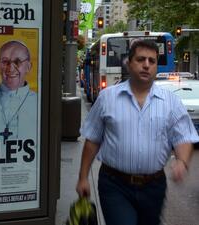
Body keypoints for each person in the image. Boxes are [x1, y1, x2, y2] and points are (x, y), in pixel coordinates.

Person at [76, 39, 199, 225]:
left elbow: (183, 137)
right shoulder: (107, 98)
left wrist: (182, 161)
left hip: (154, 187)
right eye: (141, 59)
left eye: (152, 61)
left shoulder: (171, 102)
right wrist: (83, 177)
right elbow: (92, 139)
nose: (146, 65)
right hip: (115, 185)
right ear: (129, 62)